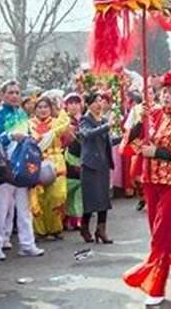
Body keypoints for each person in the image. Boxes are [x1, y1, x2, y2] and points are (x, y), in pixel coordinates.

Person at [123, 72, 171, 306]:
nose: (166, 95)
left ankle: (156, 287)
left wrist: (157, 152)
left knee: (160, 238)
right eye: (163, 91)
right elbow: (133, 144)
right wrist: (140, 121)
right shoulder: (154, 115)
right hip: (151, 182)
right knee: (161, 236)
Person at [0, 80, 45, 258]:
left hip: (23, 166)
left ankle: (27, 244)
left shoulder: (22, 113)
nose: (14, 96)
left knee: (24, 208)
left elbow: (28, 135)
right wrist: (10, 136)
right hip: (5, 168)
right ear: (2, 95)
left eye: (17, 92)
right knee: (1, 209)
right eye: (10, 92)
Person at [30, 96, 71, 239]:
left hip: (56, 163)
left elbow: (66, 123)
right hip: (35, 163)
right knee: (39, 197)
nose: (43, 110)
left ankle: (55, 228)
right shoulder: (29, 125)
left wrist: (60, 106)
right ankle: (41, 231)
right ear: (35, 109)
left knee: (57, 195)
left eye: (45, 107)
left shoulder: (56, 123)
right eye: (39, 107)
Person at [78, 91, 115, 243]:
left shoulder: (103, 120)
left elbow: (109, 141)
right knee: (91, 199)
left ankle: (101, 230)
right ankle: (84, 226)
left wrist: (127, 136)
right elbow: (87, 134)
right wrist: (107, 126)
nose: (99, 104)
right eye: (95, 101)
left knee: (104, 200)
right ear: (88, 104)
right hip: (90, 165)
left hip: (103, 164)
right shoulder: (84, 120)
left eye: (101, 101)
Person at [62, 93, 85, 230]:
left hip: (82, 157)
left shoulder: (85, 120)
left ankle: (77, 218)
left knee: (79, 190)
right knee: (66, 189)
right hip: (67, 157)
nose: (73, 106)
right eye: (70, 103)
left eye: (76, 103)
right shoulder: (62, 120)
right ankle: (64, 217)